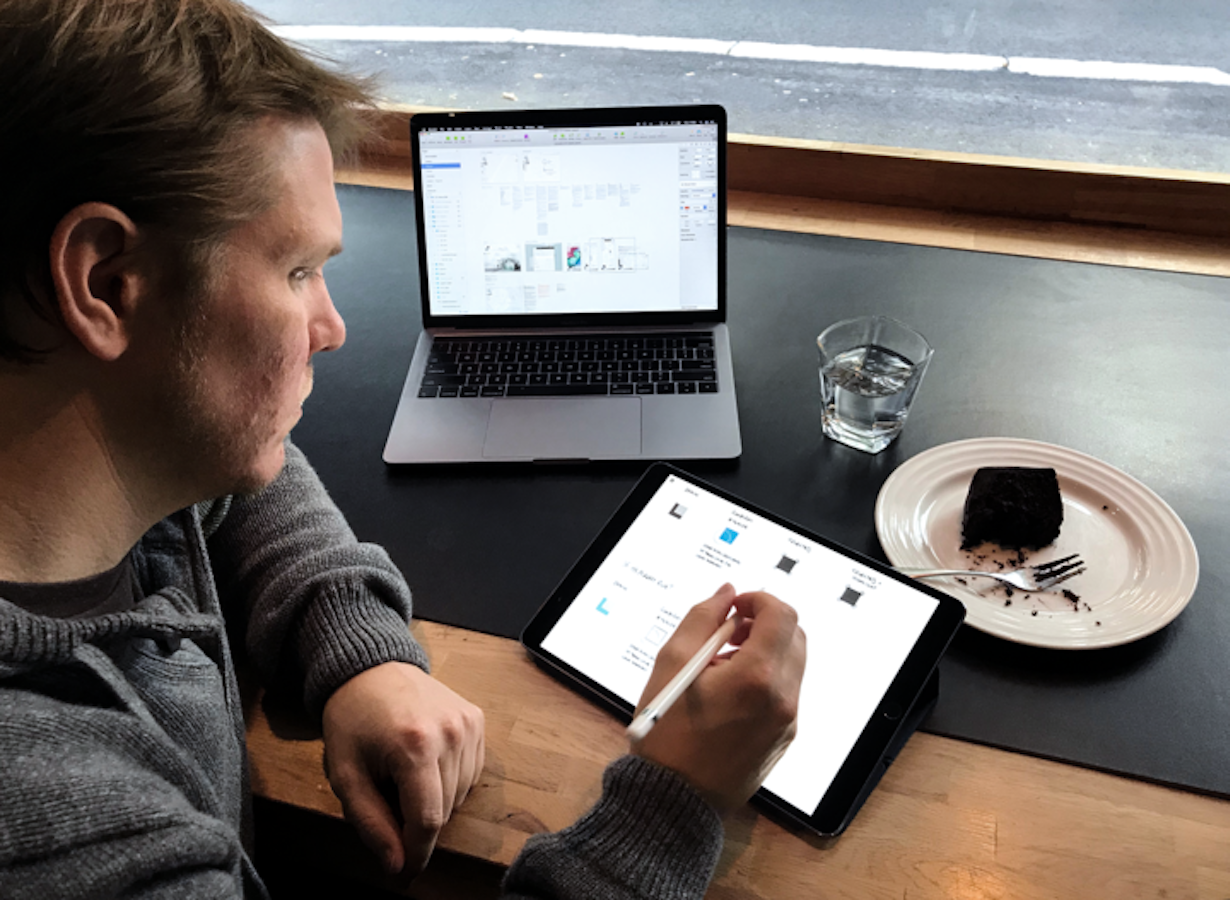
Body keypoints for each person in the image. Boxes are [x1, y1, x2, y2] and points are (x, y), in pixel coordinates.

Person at [0, 1, 806, 898]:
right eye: (298, 271)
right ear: (107, 282)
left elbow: (226, 477)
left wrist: (356, 647)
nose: (333, 326)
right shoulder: (66, 838)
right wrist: (674, 802)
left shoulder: (93, 448)